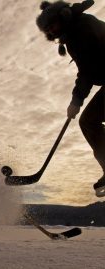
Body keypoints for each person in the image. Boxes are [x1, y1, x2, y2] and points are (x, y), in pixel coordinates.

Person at [36, 0, 105, 195]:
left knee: (90, 121)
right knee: (89, 121)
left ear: (62, 17)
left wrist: (76, 101)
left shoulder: (80, 30)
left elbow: (87, 71)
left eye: (52, 25)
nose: (51, 31)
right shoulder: (75, 31)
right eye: (47, 29)